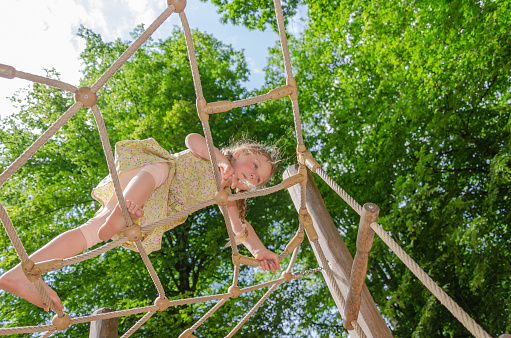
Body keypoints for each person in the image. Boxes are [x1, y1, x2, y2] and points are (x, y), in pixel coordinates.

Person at [0, 133, 281, 311]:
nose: (253, 177)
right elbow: (192, 140)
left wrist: (259, 251)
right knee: (159, 168)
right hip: (151, 177)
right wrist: (221, 161)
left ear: (248, 189)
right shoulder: (213, 153)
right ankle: (119, 215)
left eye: (258, 180)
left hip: (151, 208)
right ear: (241, 153)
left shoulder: (226, 197)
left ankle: (21, 274)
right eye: (254, 166)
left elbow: (240, 229)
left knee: (89, 233)